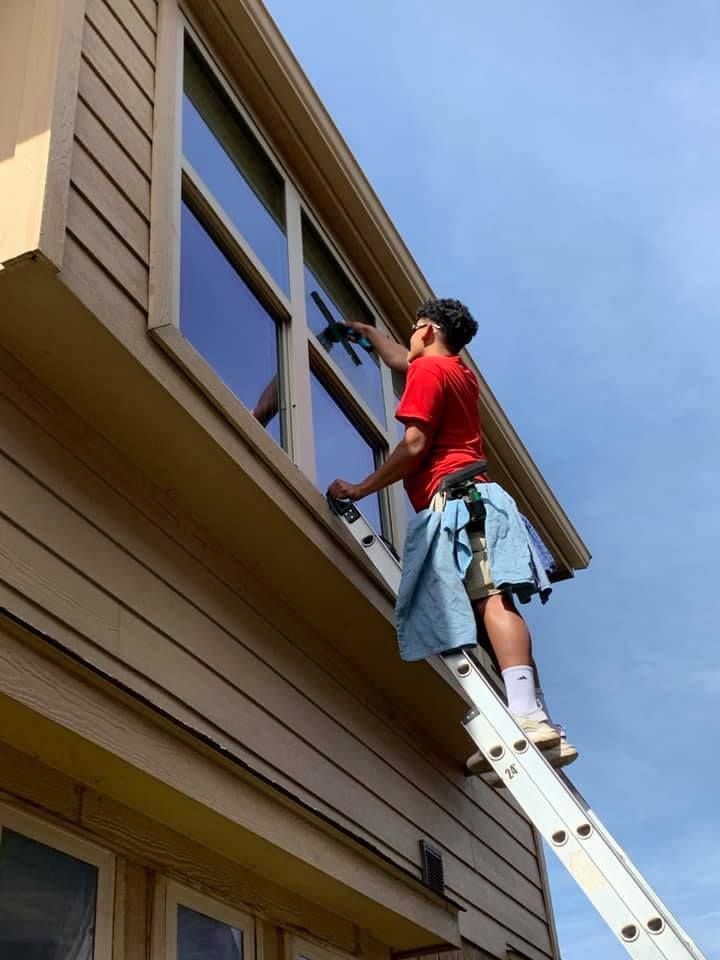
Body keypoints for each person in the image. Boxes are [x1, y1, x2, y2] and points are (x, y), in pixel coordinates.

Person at [328, 298, 577, 773]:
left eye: (411, 331)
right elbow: (403, 357)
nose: (406, 341)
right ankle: (537, 715)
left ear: (425, 330)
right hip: (476, 497)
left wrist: (363, 487)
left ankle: (526, 717)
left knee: (492, 601)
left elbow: (416, 444)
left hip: (460, 501)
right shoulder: (459, 372)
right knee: (495, 606)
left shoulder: (428, 375)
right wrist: (367, 331)